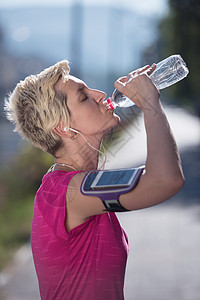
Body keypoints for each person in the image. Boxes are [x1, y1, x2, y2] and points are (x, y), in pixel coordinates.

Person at [4, 60, 185, 300]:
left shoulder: (76, 185)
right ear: (64, 128)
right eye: (83, 97)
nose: (100, 94)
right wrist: (149, 103)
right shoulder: (65, 192)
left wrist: (149, 99)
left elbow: (157, 175)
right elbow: (164, 180)